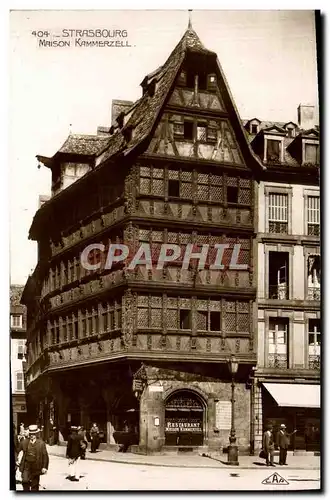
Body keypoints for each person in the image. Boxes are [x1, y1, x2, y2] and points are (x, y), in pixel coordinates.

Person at [16, 424, 49, 491]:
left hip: (36, 466)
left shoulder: (41, 443)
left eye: (33, 434)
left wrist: (44, 467)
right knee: (25, 481)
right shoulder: (24, 442)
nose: (32, 435)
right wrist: (16, 459)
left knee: (35, 484)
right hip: (26, 465)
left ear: (36, 434)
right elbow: (17, 451)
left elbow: (45, 456)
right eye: (30, 434)